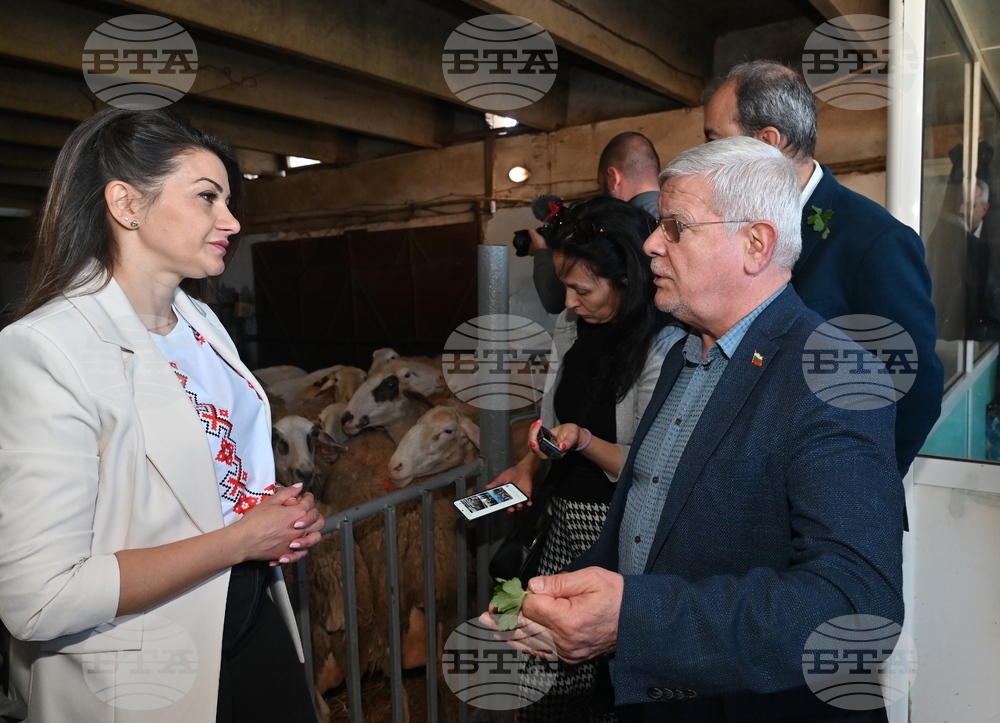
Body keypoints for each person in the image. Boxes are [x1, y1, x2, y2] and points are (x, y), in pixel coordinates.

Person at [487, 137, 905, 722]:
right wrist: (558, 604)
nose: (653, 244)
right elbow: (642, 519)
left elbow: (856, 607)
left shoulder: (836, 376)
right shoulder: (685, 352)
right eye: (659, 225)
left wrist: (632, 621)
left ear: (754, 245)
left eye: (676, 227)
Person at [0, 109, 323, 723]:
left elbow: (197, 476)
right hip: (145, 665)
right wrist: (241, 539)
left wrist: (271, 512)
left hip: (253, 615)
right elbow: (38, 598)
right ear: (126, 204)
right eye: (207, 197)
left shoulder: (200, 322)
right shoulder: (45, 348)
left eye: (228, 199)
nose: (231, 221)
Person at [488, 196, 685, 721]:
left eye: (582, 289)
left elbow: (651, 468)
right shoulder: (572, 327)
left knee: (609, 679)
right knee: (538, 669)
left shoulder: (664, 347)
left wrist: (583, 442)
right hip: (563, 520)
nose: (570, 301)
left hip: (621, 531)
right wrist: (529, 466)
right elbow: (550, 417)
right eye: (565, 286)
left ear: (625, 281)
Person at [703, 60, 943, 477]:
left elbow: (914, 387)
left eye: (714, 140)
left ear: (768, 143)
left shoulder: (874, 241)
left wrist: (858, 488)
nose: (707, 156)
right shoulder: (734, 228)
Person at [532, 133, 663, 314]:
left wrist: (542, 252)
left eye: (600, 184)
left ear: (613, 178)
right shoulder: (681, 219)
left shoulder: (614, 229)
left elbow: (553, 298)